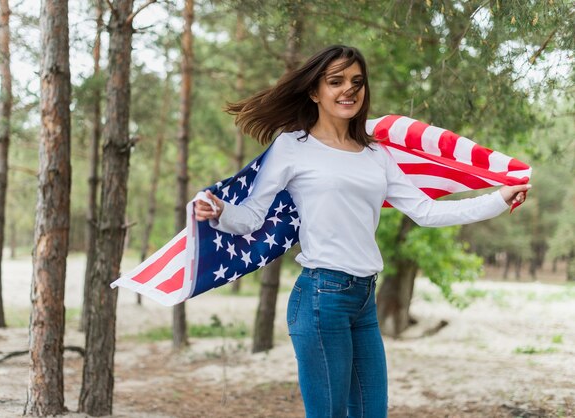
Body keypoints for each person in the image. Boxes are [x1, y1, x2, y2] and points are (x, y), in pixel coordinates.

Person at [194, 45, 530, 418]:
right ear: (314, 92)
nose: (348, 90)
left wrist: (498, 199)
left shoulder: (376, 155)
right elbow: (253, 217)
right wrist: (220, 211)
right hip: (322, 298)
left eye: (357, 82)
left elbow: (427, 212)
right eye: (335, 81)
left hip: (363, 299)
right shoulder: (292, 147)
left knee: (372, 412)